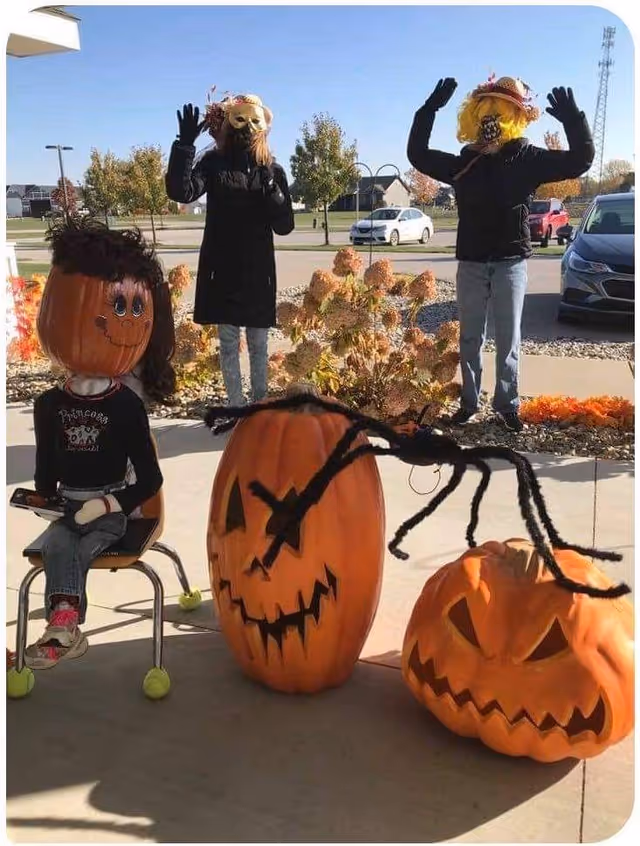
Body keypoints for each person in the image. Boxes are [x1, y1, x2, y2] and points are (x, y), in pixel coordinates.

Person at [25, 218, 175, 669]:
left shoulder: (126, 405)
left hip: (113, 512)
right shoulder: (49, 405)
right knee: (59, 540)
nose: (120, 325)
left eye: (133, 309)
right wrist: (42, 500)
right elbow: (45, 469)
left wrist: (108, 506)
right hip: (69, 508)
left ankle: (64, 626)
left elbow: (149, 479)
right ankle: (65, 627)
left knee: (64, 545)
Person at [407, 76, 594, 432]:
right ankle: (469, 402)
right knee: (469, 338)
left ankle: (507, 405)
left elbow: (579, 161)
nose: (491, 118)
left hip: (510, 262)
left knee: (508, 338)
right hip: (472, 261)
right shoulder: (463, 163)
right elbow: (417, 154)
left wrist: (573, 120)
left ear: (513, 115)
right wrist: (429, 109)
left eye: (499, 110)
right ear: (474, 115)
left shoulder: (527, 158)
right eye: (485, 109)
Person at [165, 91, 295, 408]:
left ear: (263, 126)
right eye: (240, 119)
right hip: (222, 268)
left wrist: (273, 193)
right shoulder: (213, 164)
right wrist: (184, 146)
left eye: (254, 121)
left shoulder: (272, 170)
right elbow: (182, 191)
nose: (246, 127)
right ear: (228, 122)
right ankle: (236, 410)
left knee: (258, 342)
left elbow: (285, 225)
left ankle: (259, 406)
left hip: (257, 271)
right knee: (227, 343)